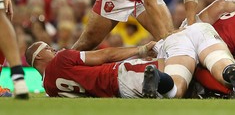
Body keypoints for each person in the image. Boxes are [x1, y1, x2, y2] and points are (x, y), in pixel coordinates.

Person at [25, 40, 177, 98]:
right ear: (38, 57)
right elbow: (105, 55)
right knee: (171, 74)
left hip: (115, 94)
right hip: (116, 75)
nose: (53, 48)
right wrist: (140, 49)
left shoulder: (49, 88)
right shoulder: (61, 58)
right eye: (47, 48)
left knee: (163, 94)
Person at [153, 22, 235, 99]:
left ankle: (156, 74)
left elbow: (162, 68)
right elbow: (218, 5)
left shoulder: (161, 43)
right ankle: (229, 70)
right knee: (219, 60)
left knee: (175, 88)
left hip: (175, 41)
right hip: (201, 29)